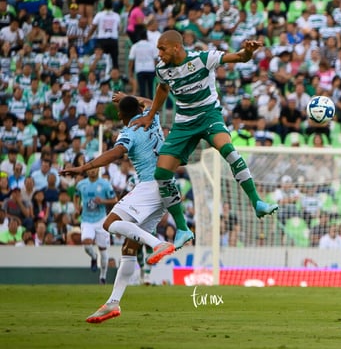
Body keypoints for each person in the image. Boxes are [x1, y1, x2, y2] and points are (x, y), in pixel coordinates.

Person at [130, 30, 278, 250]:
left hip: (209, 115)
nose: (159, 53)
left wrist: (247, 52)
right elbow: (162, 88)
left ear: (176, 47)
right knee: (161, 173)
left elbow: (237, 57)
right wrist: (150, 116)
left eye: (162, 48)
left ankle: (257, 202)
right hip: (184, 123)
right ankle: (182, 228)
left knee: (228, 149)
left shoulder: (202, 59)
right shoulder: (162, 69)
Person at [60, 94, 175, 323]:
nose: (119, 116)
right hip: (167, 187)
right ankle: (113, 302)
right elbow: (149, 103)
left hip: (149, 185)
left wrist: (82, 167)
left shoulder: (129, 132)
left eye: (120, 113)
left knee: (109, 223)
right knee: (129, 246)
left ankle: (158, 244)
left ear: (123, 115)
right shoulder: (151, 118)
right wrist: (126, 97)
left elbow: (113, 154)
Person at [72, 167, 118, 285]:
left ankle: (102, 277)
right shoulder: (81, 184)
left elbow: (114, 199)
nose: (92, 171)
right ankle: (93, 256)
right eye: (90, 169)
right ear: (87, 171)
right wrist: (76, 207)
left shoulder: (105, 184)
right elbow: (76, 195)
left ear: (98, 170)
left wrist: (103, 201)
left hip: (101, 220)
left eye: (95, 169)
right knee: (87, 243)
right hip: (86, 219)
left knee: (103, 249)